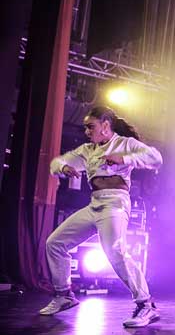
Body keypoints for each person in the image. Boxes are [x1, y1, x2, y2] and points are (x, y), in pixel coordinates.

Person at [39, 106, 163, 328]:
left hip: (115, 204)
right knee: (54, 243)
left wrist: (124, 158)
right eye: (86, 127)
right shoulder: (87, 150)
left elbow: (155, 158)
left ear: (106, 125)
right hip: (94, 205)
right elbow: (55, 163)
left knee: (115, 250)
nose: (87, 131)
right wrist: (64, 167)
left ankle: (146, 305)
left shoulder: (125, 144)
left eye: (91, 126)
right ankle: (64, 295)